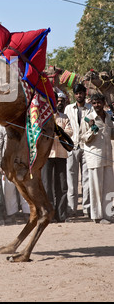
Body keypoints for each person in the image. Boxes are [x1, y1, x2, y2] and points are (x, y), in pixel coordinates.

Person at [81, 93, 114, 224]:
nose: (96, 105)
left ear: (103, 102)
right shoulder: (88, 118)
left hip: (107, 157)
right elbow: (82, 137)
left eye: (99, 102)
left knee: (109, 187)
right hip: (95, 157)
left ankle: (109, 214)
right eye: (94, 103)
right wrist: (92, 131)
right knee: (95, 187)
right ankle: (97, 216)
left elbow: (111, 134)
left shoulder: (108, 117)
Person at [42, 92, 72, 222]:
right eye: (53, 100)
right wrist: (60, 133)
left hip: (61, 155)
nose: (56, 103)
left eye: (57, 100)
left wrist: (56, 133)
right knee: (47, 186)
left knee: (62, 186)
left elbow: (70, 132)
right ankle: (50, 215)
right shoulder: (43, 117)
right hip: (47, 155)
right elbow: (41, 134)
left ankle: (61, 215)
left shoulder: (64, 117)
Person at [64, 83, 91, 219]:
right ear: (74, 95)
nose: (79, 95)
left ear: (85, 93)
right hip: (72, 147)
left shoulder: (90, 109)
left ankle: (87, 209)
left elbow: (94, 126)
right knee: (71, 179)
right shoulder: (68, 109)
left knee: (86, 179)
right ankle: (71, 210)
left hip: (87, 147)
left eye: (81, 93)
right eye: (77, 93)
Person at [0, 124, 30, 223]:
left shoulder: (22, 124)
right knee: (9, 189)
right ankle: (11, 214)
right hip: (7, 161)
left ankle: (27, 213)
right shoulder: (2, 126)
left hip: (21, 160)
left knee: (24, 187)